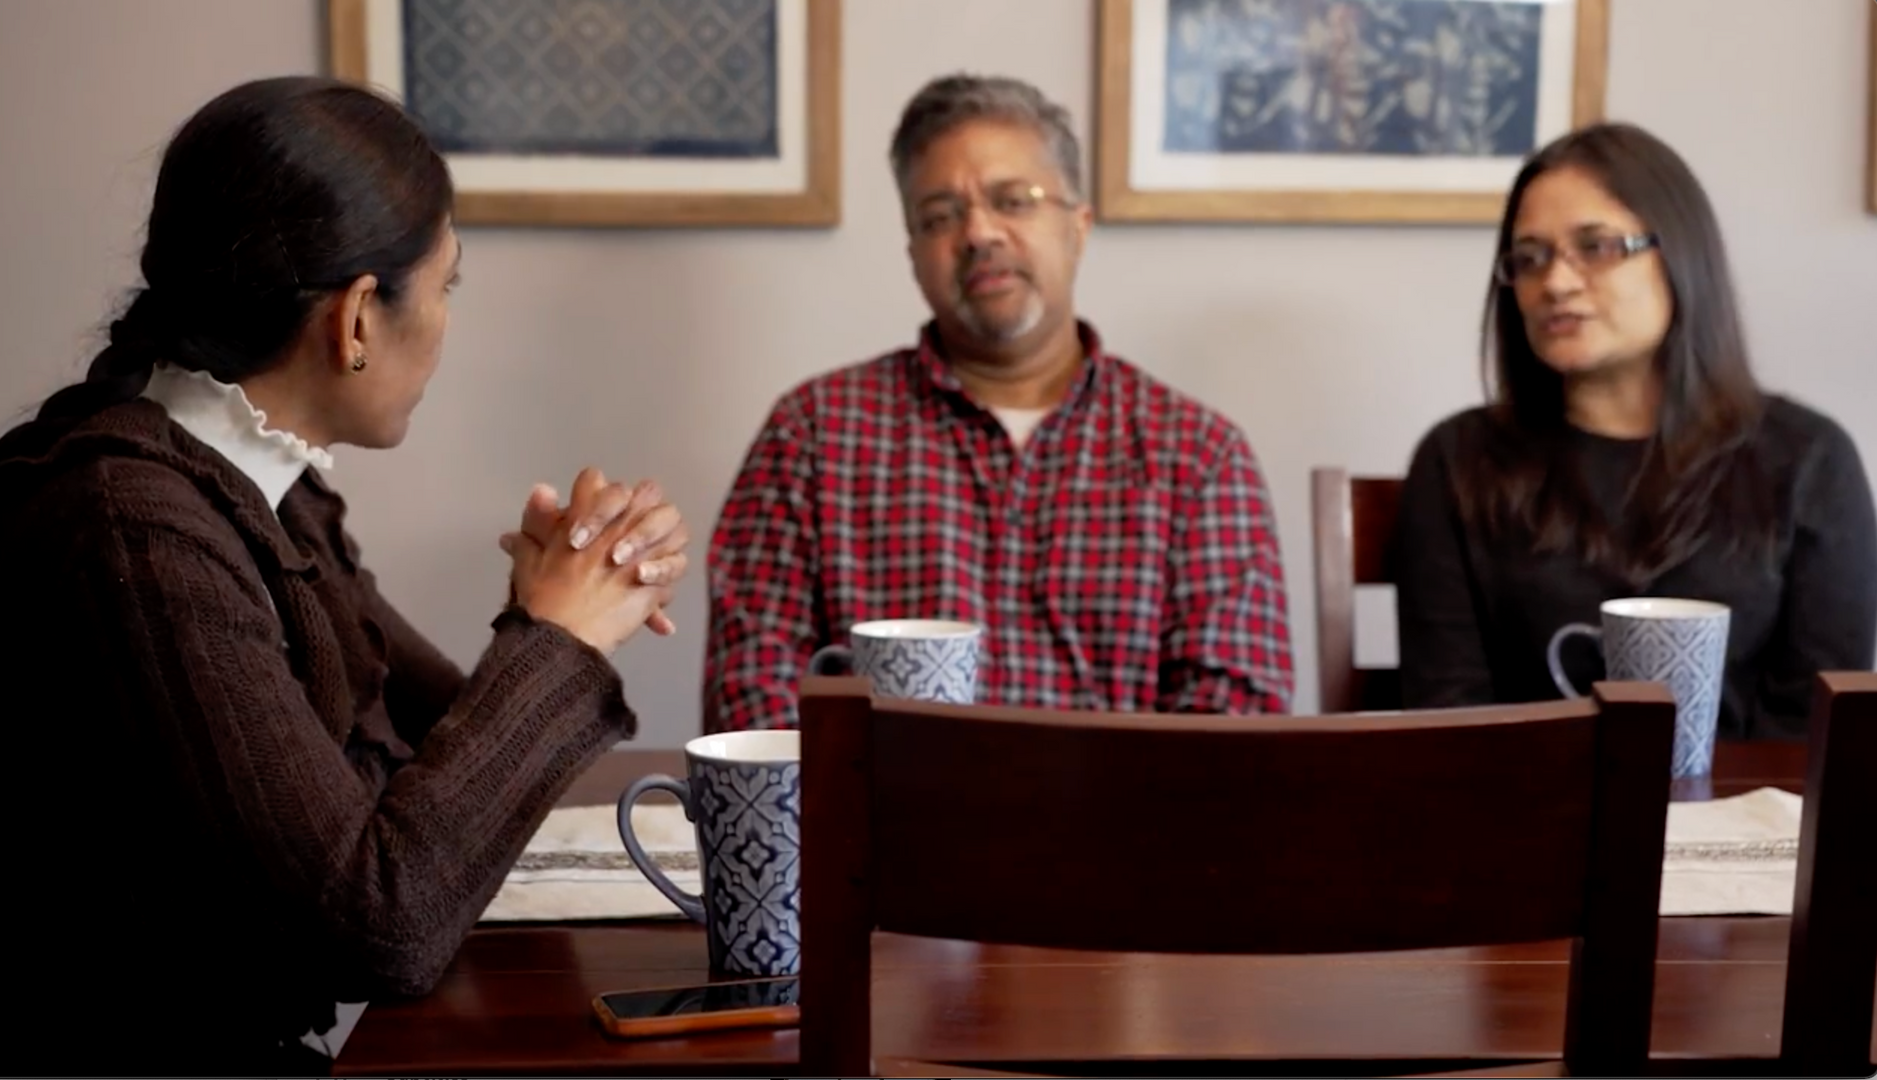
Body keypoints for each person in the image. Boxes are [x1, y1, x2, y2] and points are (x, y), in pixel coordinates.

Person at [0, 76, 692, 1076]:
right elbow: (380, 924)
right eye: (447, 288)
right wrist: (557, 640)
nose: (446, 322)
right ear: (355, 319)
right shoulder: (135, 530)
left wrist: (543, 613)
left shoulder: (259, 488)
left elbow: (427, 756)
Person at [703, 73, 1294, 733]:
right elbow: (751, 698)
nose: (979, 232)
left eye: (1014, 200)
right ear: (913, 254)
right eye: (940, 215)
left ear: (1078, 226)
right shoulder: (812, 435)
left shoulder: (1198, 454)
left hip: (1124, 832)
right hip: (882, 831)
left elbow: (1238, 728)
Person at [1392, 121, 1876, 739]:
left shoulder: (1808, 460)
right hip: (1528, 821)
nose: (1557, 283)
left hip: (1752, 826)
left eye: (1596, 247)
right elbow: (1449, 719)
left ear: (1680, 254)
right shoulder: (1458, 461)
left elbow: (1814, 734)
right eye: (1530, 258)